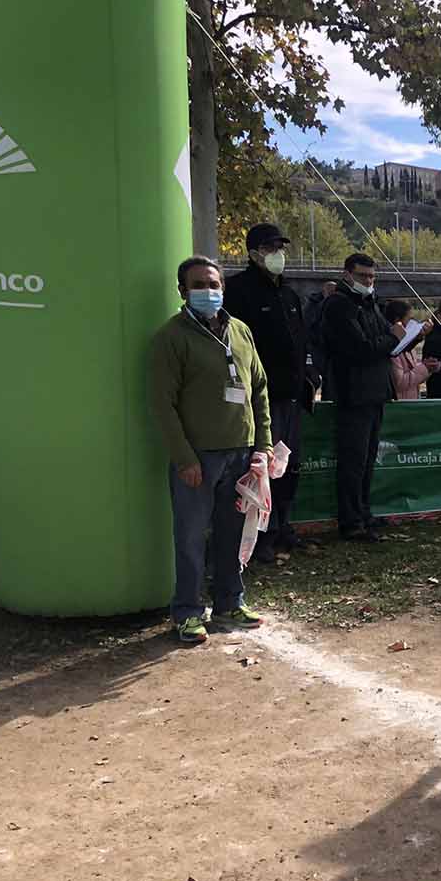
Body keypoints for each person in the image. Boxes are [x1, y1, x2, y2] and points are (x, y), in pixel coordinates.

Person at [149, 255, 270, 644]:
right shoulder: (172, 338)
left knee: (231, 533)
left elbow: (260, 391)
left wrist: (263, 446)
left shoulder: (241, 331)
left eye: (214, 284)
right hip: (200, 459)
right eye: (199, 285)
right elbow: (162, 404)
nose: (209, 292)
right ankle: (186, 612)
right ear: (183, 291)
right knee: (190, 536)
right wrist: (185, 458)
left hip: (241, 453)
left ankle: (230, 602)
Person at [223, 222, 317, 562]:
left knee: (288, 467)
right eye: (270, 247)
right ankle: (256, 536)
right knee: (260, 467)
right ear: (253, 252)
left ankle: (282, 528)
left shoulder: (289, 293)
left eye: (280, 247)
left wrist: (309, 373)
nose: (278, 254)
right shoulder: (238, 291)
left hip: (293, 395)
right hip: (260, 398)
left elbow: (302, 339)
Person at [322, 253, 396, 543]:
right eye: (363, 276)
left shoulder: (369, 303)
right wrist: (393, 338)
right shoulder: (340, 306)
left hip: (375, 392)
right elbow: (361, 348)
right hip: (353, 393)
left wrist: (400, 338)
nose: (369, 281)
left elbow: (380, 343)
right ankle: (350, 520)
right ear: (347, 274)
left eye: (372, 277)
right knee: (353, 461)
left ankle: (363, 512)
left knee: (366, 460)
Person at [383, 299, 440, 399]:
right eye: (409, 319)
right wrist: (424, 368)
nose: (412, 324)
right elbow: (400, 383)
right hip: (399, 407)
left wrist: (428, 367)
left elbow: (414, 375)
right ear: (397, 321)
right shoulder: (392, 348)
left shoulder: (408, 344)